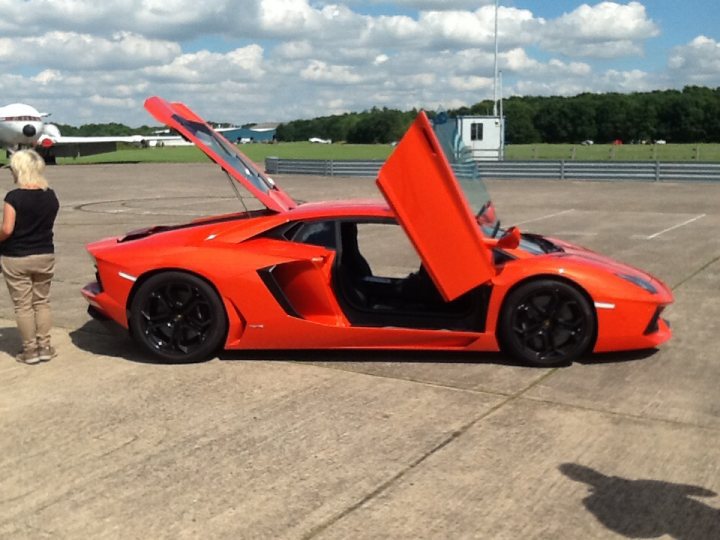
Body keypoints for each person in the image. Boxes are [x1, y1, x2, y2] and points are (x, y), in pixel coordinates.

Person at [0, 149, 60, 364]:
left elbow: (7, 229)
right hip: (44, 253)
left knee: (23, 305)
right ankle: (44, 345)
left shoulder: (14, 197)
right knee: (42, 302)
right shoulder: (50, 195)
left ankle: (30, 350)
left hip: (17, 257)